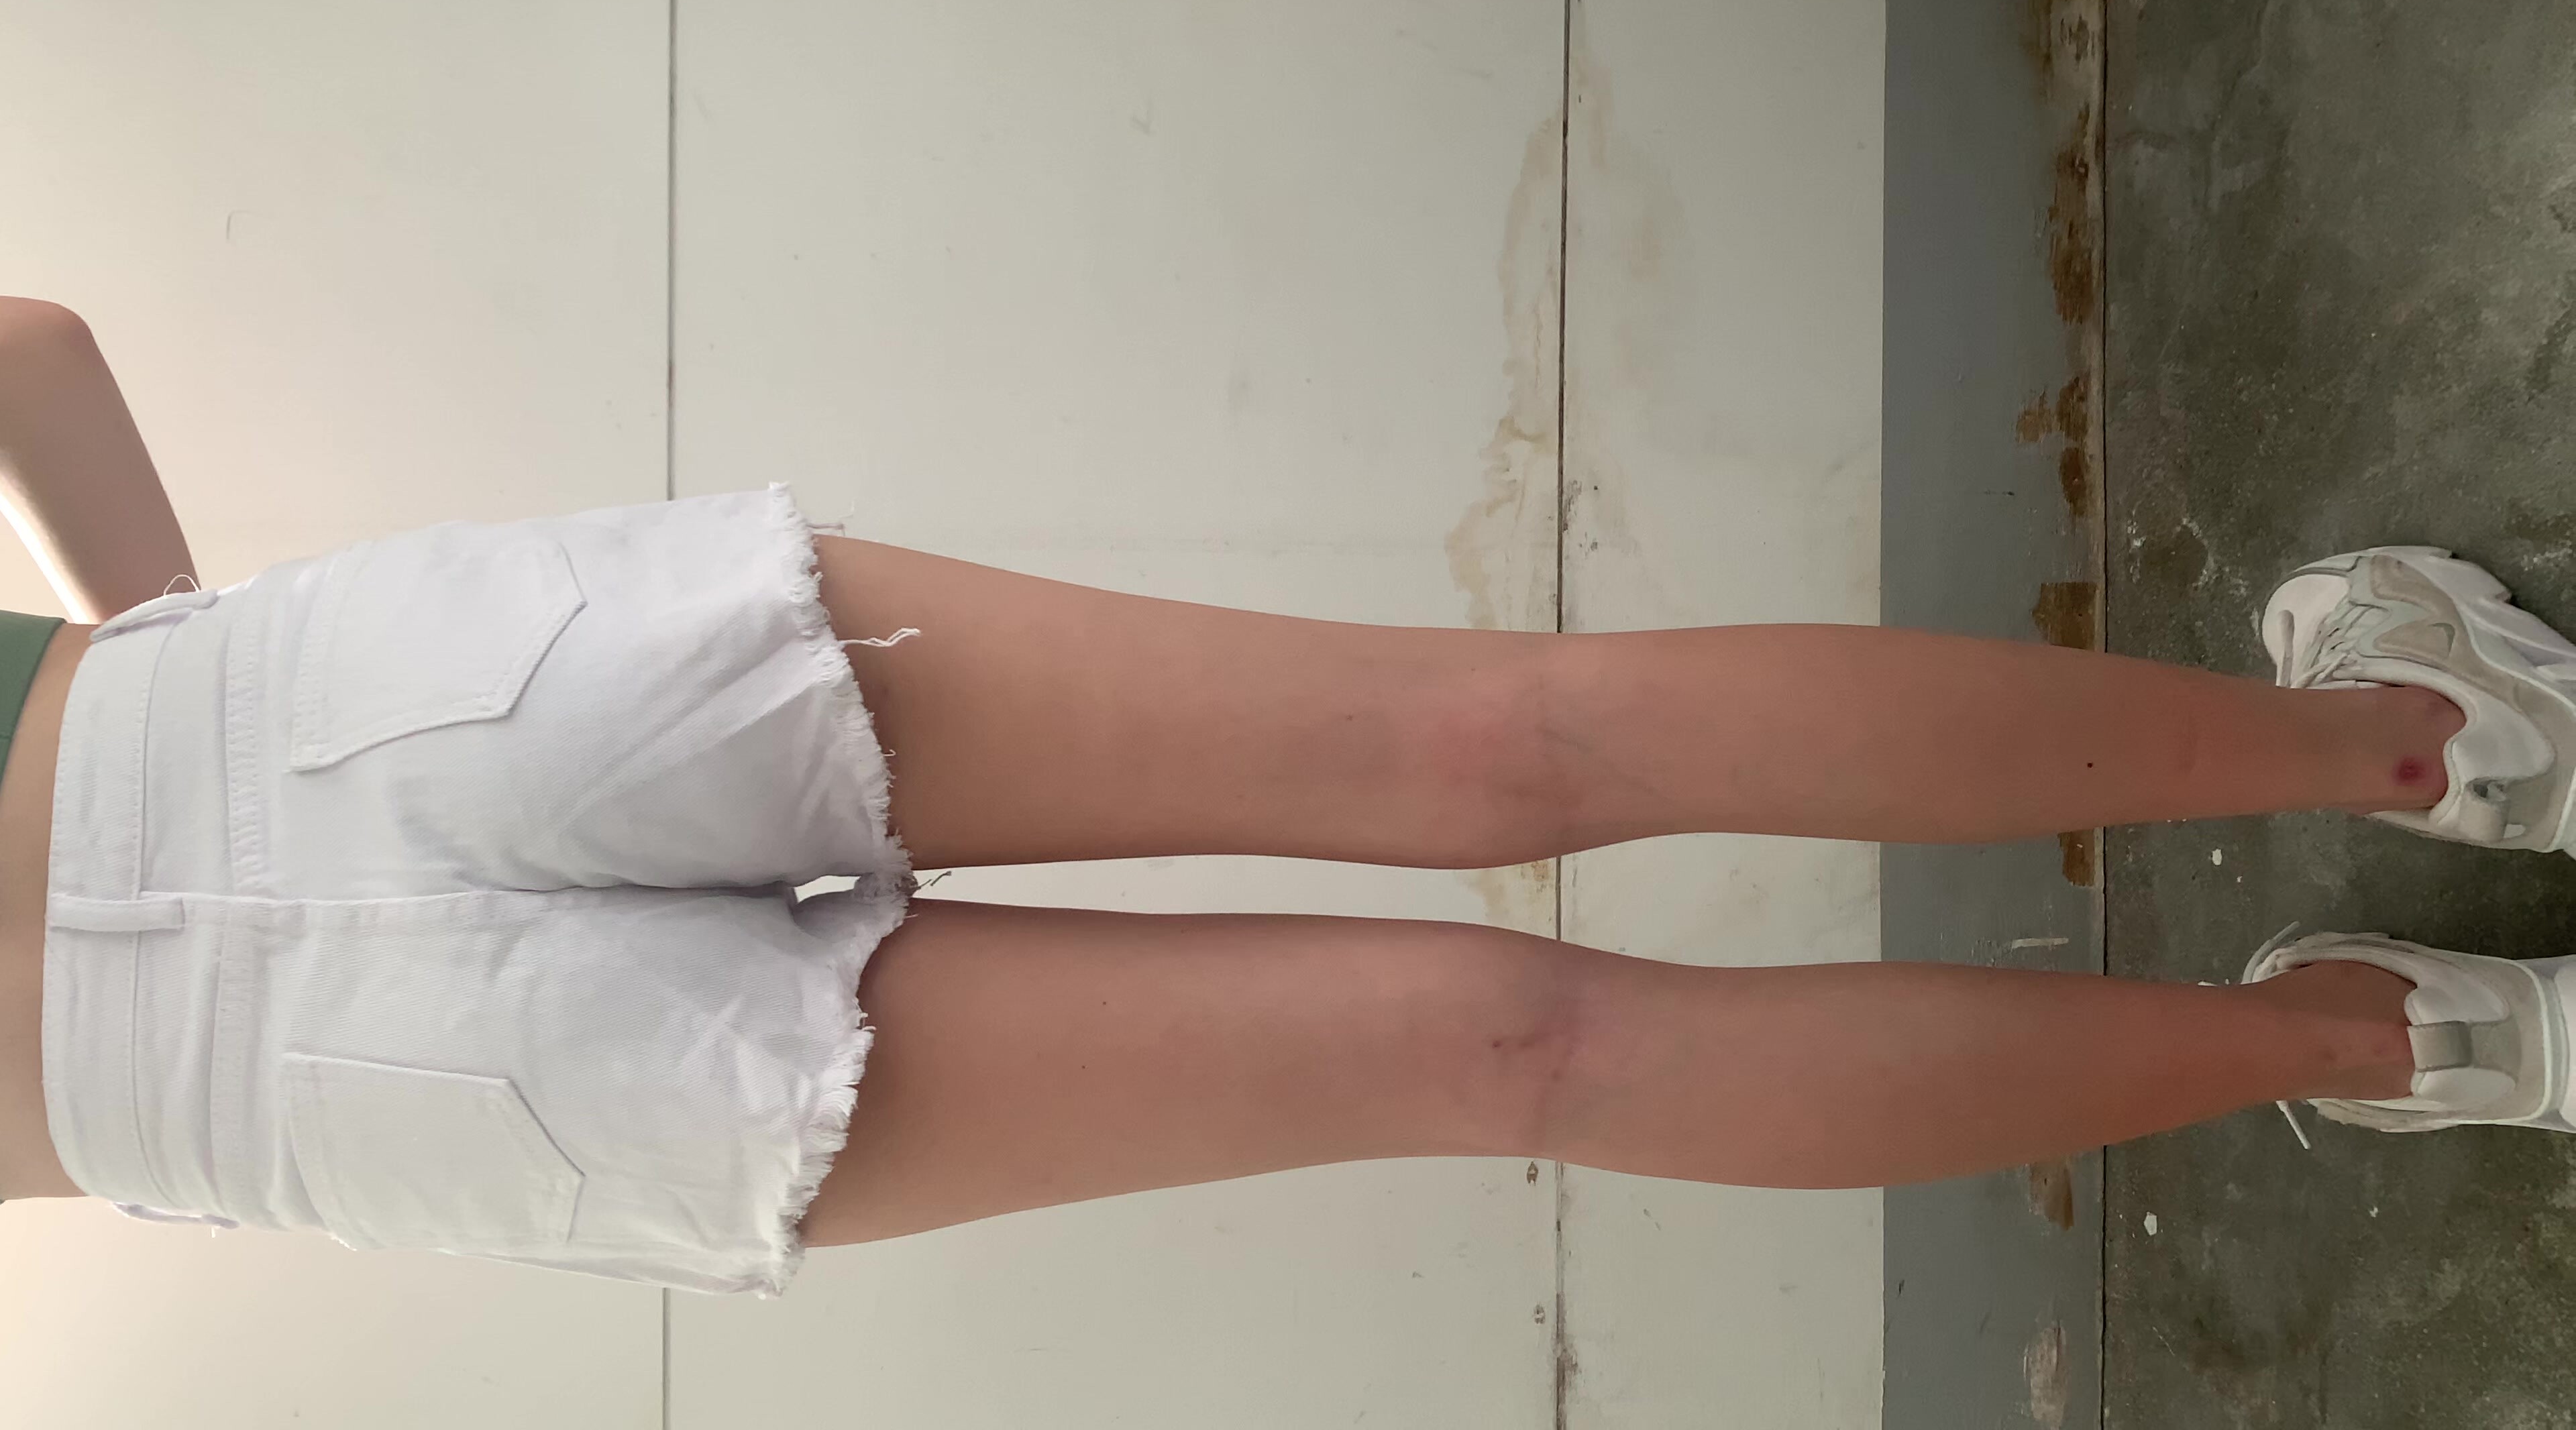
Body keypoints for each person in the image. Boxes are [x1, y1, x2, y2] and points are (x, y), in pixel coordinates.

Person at [0, 295, 2567, 1300]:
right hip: (282, 725)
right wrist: (165, 670)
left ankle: (2405, 1041)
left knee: (1520, 1059)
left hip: (268, 1097)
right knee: (1509, 740)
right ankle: (2435, 740)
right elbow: (25, 350)